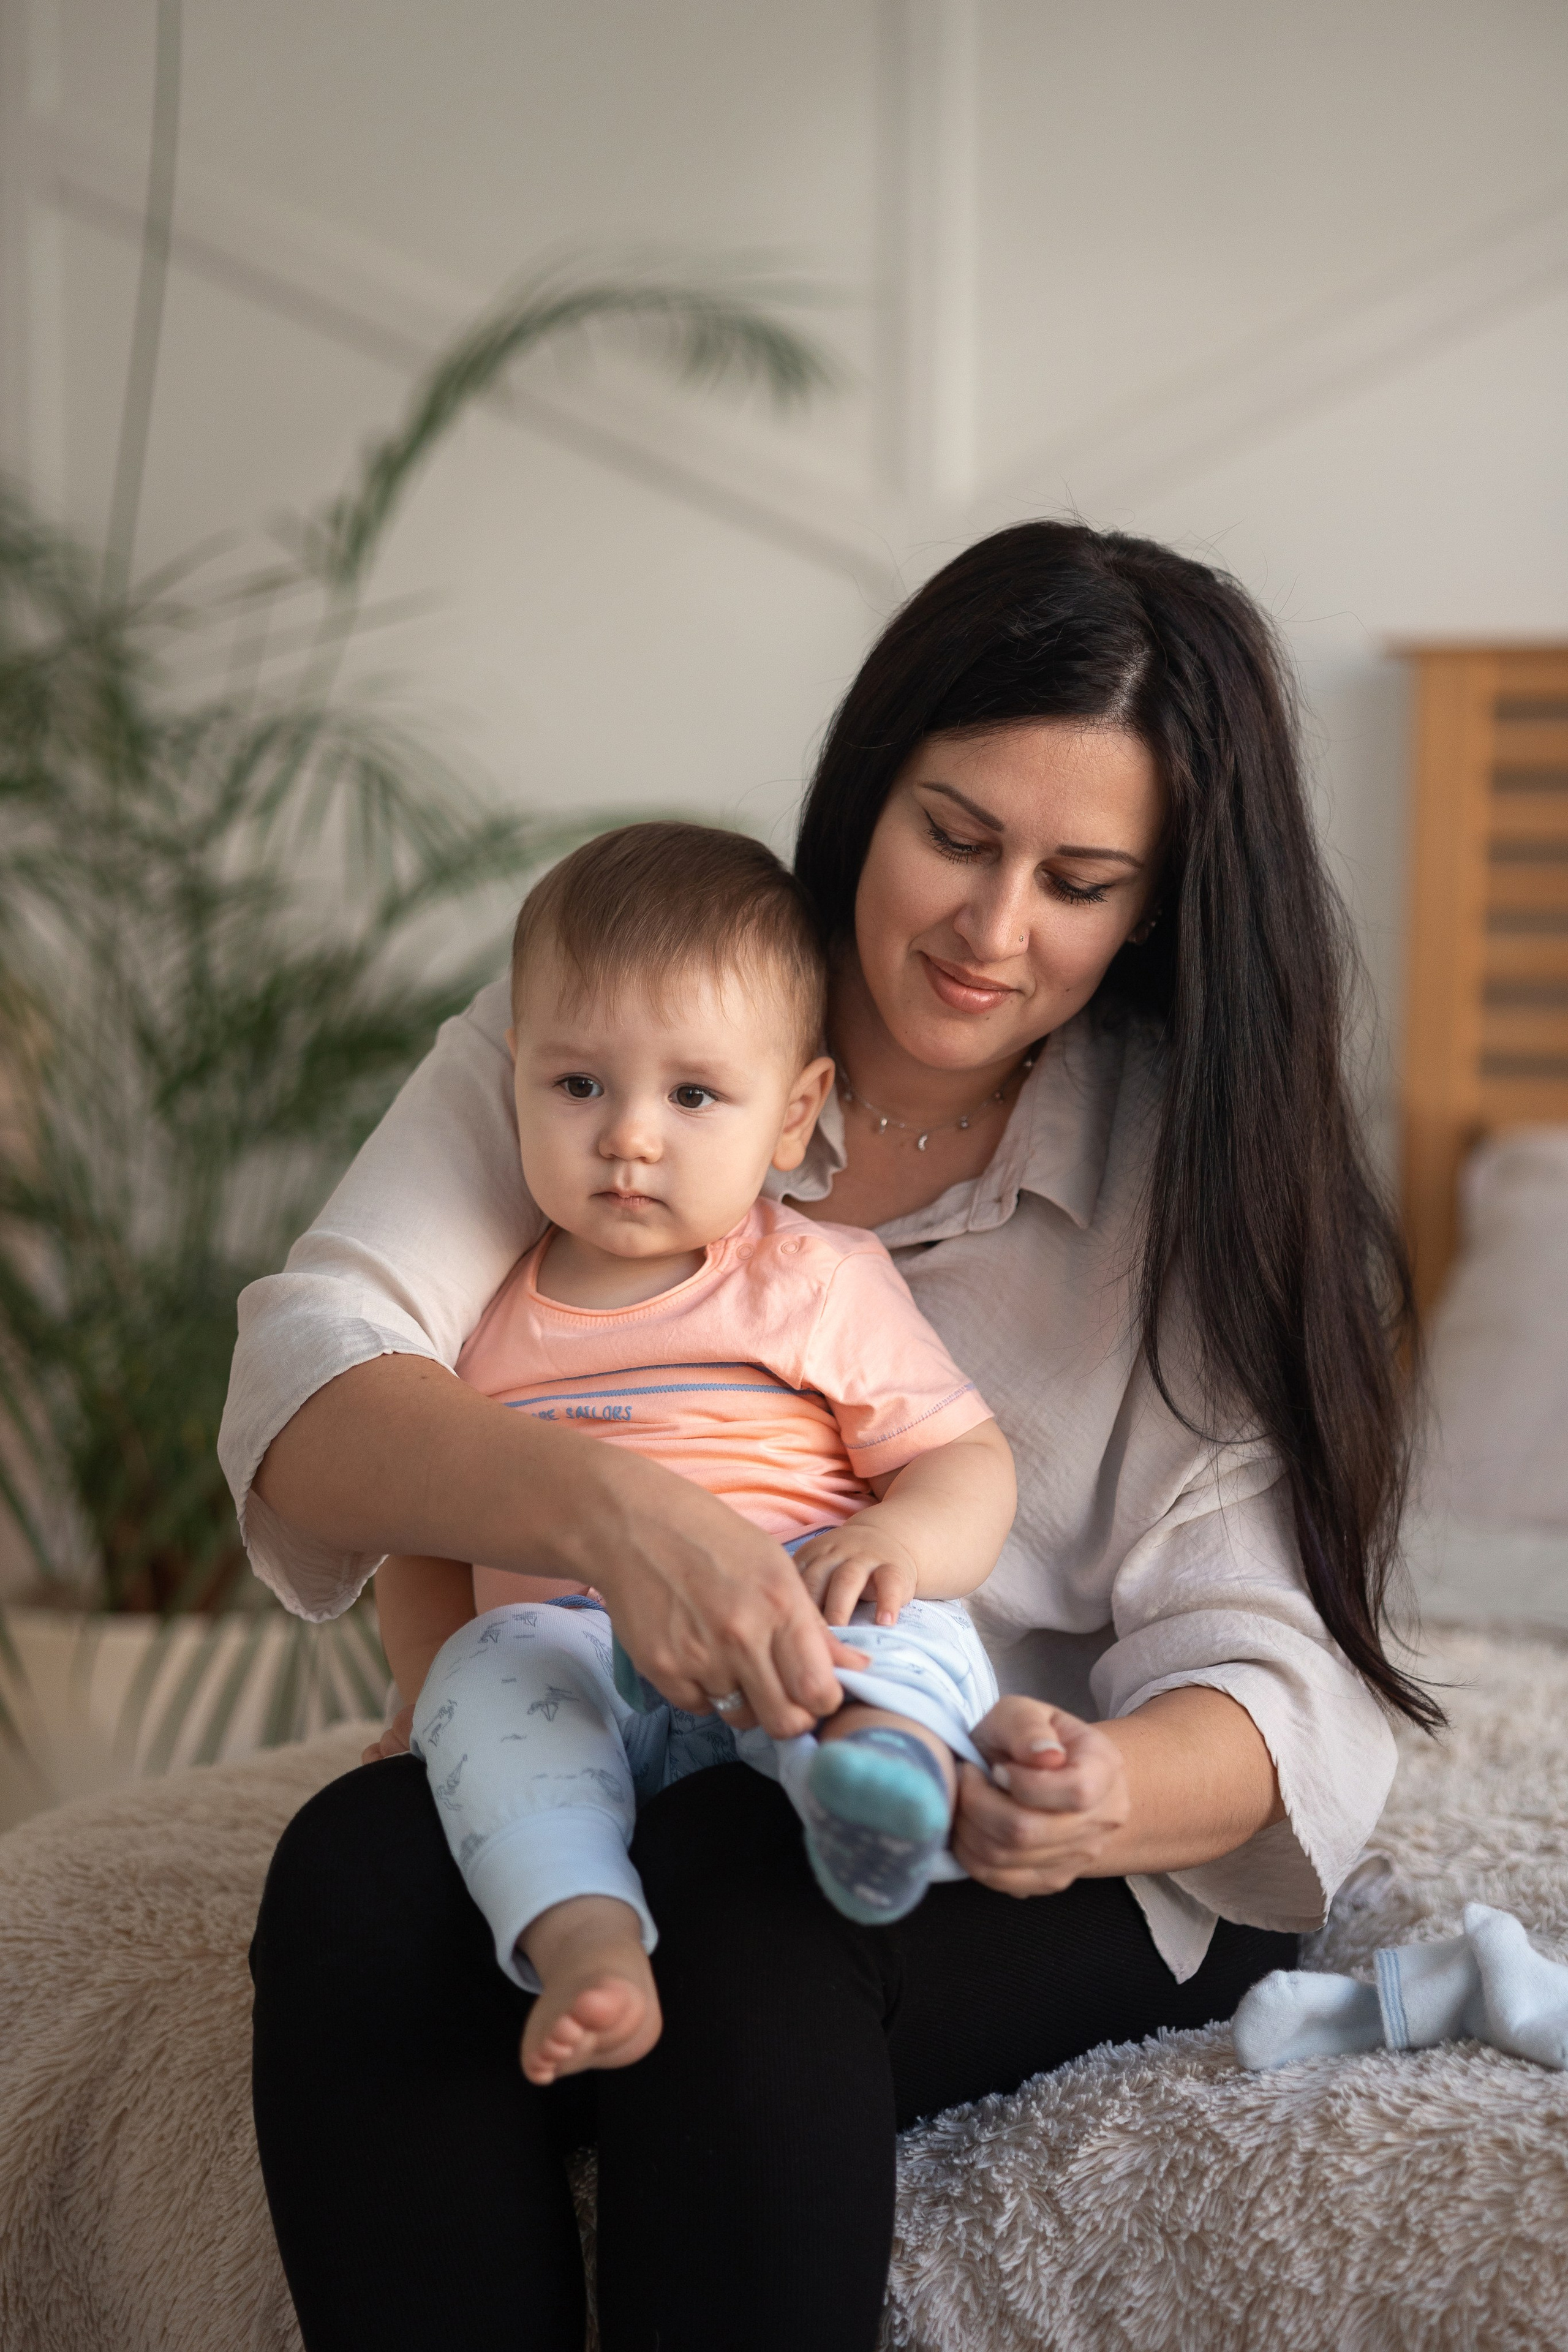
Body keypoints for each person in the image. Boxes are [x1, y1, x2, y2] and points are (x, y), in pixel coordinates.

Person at [231, 520, 1432, 2352]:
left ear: (1161, 905)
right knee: (356, 1872)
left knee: (750, 1891)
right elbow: (317, 1381)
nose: (993, 927)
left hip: (997, 1795)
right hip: (626, 1713)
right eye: (955, 834)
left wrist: (1089, 1805)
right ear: (869, 786)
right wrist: (612, 1517)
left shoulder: (1215, 1181)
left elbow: (1283, 1676)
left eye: (1082, 880)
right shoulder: (615, 1024)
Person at [399, 821, 1018, 2089]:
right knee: (485, 1696)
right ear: (514, 1079)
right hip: (572, 1648)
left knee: (898, 1630)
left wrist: (894, 1540)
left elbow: (967, 1461)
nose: (630, 1135)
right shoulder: (471, 1316)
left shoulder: (812, 1279)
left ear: (793, 1114)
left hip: (788, 1602)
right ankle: (587, 1945)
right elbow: (425, 1523)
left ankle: (878, 1775)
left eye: (691, 1096)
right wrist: (417, 1696)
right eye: (578, 1086)